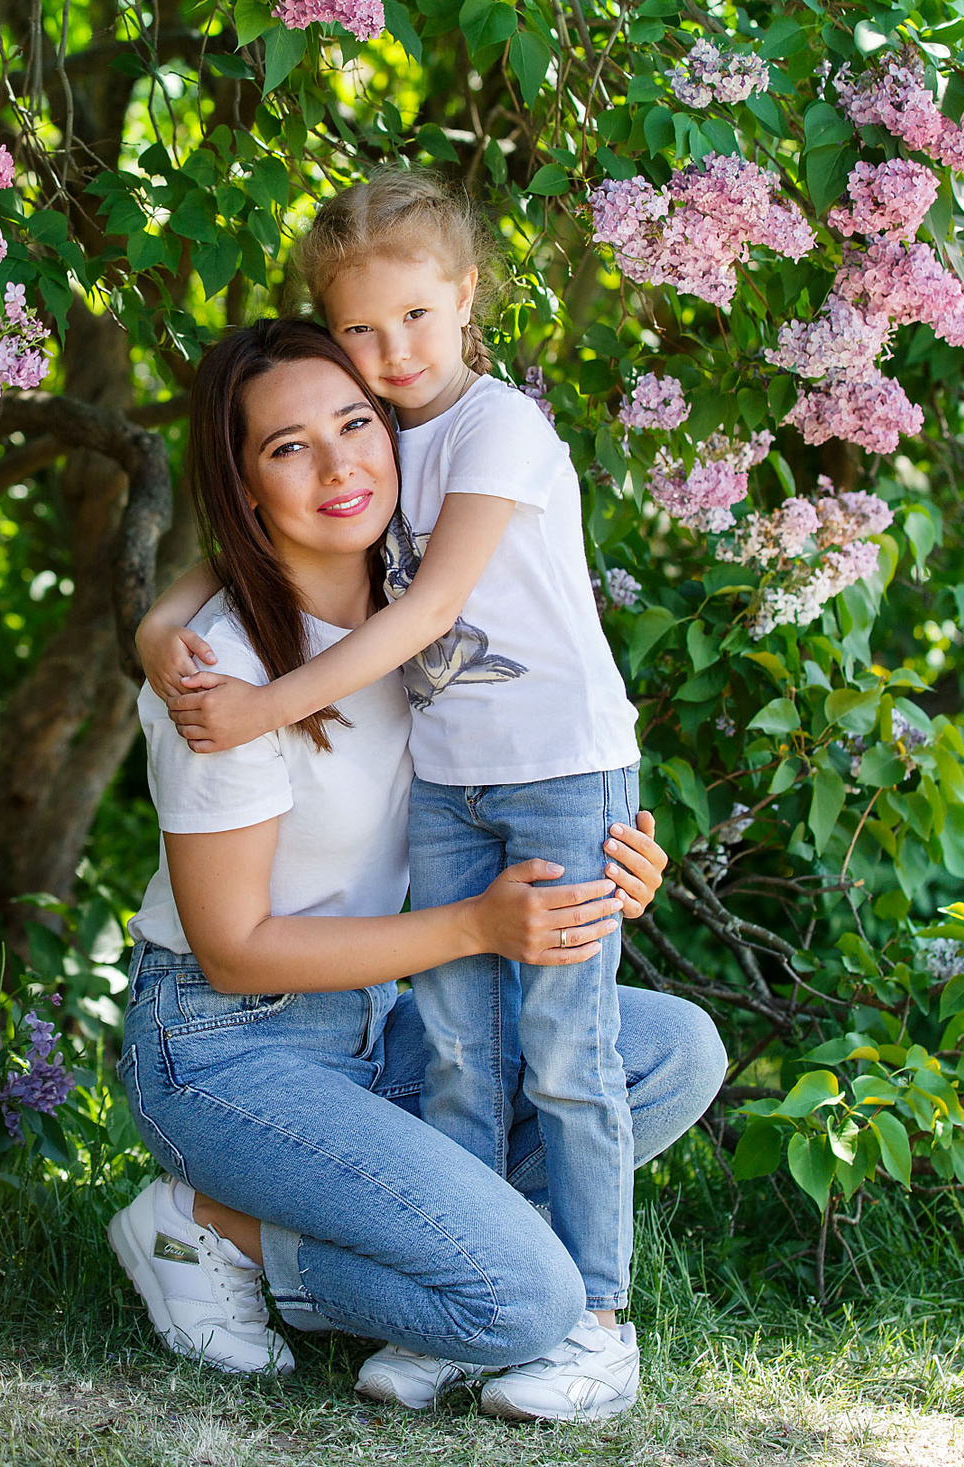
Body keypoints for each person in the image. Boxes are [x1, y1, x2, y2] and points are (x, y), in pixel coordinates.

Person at [110, 317, 725, 1423]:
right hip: (222, 1050)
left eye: (355, 424)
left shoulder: (417, 620)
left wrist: (594, 873)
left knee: (673, 1051)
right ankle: (213, 1229)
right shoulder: (228, 681)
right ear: (244, 485)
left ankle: (402, 1248)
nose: (340, 464)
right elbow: (232, 949)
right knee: (523, 1303)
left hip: (376, 1022)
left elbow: (512, 786)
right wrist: (482, 930)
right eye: (287, 447)